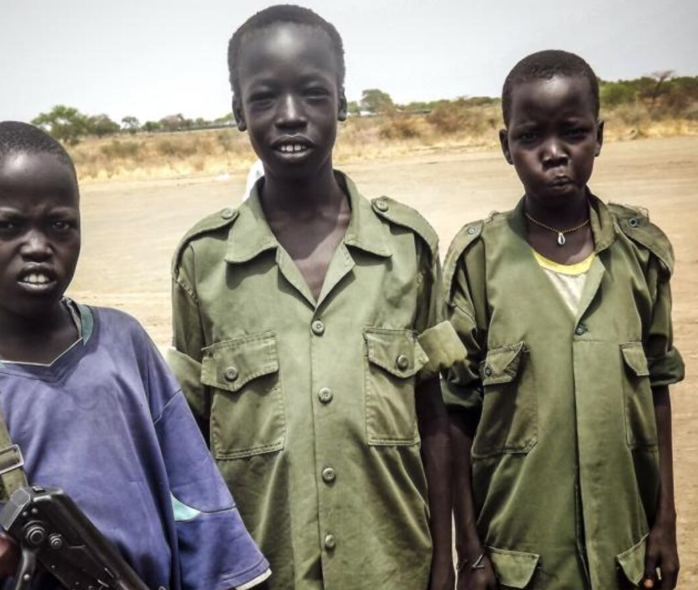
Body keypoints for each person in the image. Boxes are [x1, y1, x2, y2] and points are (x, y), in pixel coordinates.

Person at [0, 121, 270, 590]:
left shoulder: (123, 343)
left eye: (60, 224)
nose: (37, 246)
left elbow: (198, 509)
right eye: (8, 225)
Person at [167, 6, 464, 590]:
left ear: (342, 104)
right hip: (261, 574)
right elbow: (190, 438)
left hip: (392, 569)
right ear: (238, 113)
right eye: (265, 99)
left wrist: (444, 562)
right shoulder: (204, 262)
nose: (290, 116)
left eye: (312, 94)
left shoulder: (407, 248)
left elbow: (434, 416)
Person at [443, 50, 684, 590]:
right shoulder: (478, 264)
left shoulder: (640, 257)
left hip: (623, 553)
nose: (554, 153)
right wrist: (471, 552)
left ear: (599, 136)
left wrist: (664, 523)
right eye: (530, 137)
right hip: (521, 561)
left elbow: (658, 391)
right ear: (506, 145)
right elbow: (457, 413)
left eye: (572, 132)